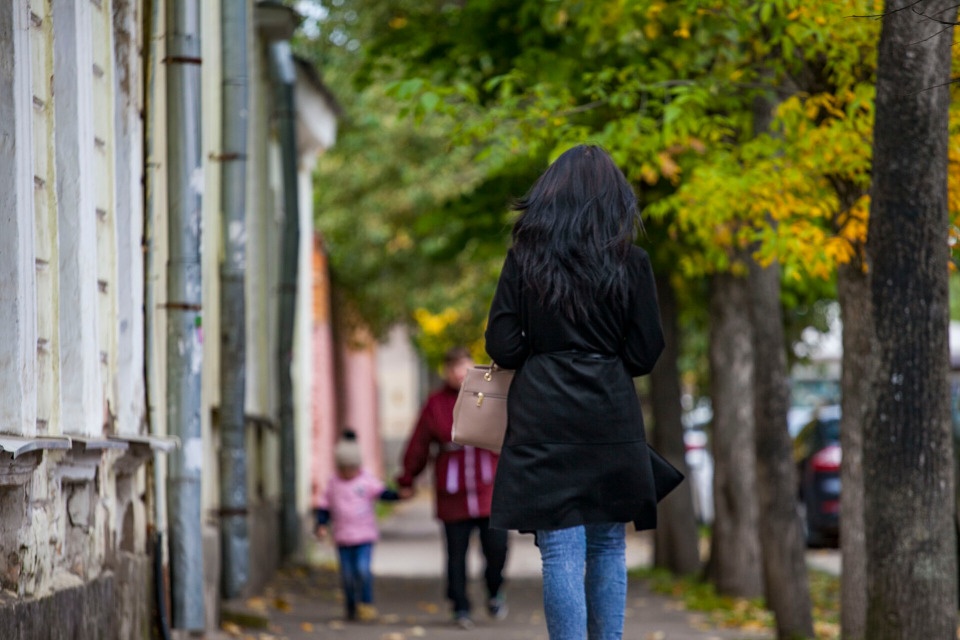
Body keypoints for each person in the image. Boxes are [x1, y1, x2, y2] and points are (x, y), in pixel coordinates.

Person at [484, 144, 665, 640]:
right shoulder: (633, 263)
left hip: (543, 413)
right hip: (609, 413)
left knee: (561, 548)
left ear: (549, 198)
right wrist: (606, 364)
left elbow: (501, 343)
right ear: (616, 200)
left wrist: (543, 354)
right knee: (608, 543)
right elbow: (647, 351)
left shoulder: (525, 259)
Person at [396, 346, 509, 630]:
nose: (459, 373)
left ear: (473, 368)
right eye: (454, 367)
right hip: (453, 492)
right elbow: (419, 444)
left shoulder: (489, 395)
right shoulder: (435, 404)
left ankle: (494, 590)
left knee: (496, 549)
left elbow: (512, 433)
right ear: (446, 371)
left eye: (464, 366)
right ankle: (460, 606)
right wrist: (407, 479)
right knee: (456, 554)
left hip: (489, 491)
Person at [315, 429, 399, 622]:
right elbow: (324, 506)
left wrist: (398, 495)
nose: (347, 472)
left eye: (351, 468)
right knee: (347, 575)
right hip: (343, 537)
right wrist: (321, 524)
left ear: (357, 466)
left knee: (362, 570)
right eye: (343, 468)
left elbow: (381, 492)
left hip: (364, 537)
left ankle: (366, 603)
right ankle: (351, 605)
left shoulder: (365, 480)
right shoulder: (333, 483)